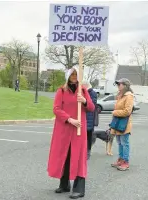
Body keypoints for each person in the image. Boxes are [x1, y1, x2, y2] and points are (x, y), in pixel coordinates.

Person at [47, 67, 95, 199]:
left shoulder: (83, 90)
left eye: (76, 74)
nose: (74, 76)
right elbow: (56, 109)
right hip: (64, 128)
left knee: (78, 157)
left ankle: (79, 188)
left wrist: (84, 101)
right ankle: (64, 184)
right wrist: (69, 119)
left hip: (79, 130)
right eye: (72, 74)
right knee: (64, 155)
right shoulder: (61, 91)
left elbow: (91, 107)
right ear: (68, 76)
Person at [110, 78, 134, 171]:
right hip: (118, 123)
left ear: (125, 85)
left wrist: (115, 112)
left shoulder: (129, 96)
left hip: (124, 124)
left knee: (124, 143)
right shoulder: (120, 95)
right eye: (117, 84)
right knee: (119, 143)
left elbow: (127, 111)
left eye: (119, 84)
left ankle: (125, 162)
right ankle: (120, 160)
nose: (118, 86)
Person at [81, 80, 97, 160]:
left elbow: (92, 105)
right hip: (85, 118)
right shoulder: (84, 92)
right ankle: (83, 152)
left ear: (85, 85)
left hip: (89, 118)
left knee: (88, 136)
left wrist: (84, 100)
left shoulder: (92, 93)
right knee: (83, 137)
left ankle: (88, 152)